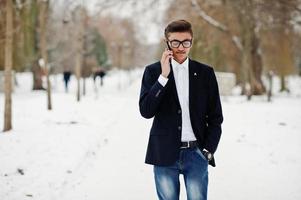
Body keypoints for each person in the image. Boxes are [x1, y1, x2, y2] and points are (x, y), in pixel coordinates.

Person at [139, 19, 223, 200]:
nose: (181, 47)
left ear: (192, 42)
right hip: (163, 153)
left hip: (196, 154)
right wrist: (163, 76)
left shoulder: (205, 73)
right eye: (175, 42)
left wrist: (208, 150)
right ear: (167, 43)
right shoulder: (153, 72)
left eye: (186, 42)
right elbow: (146, 111)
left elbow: (216, 117)